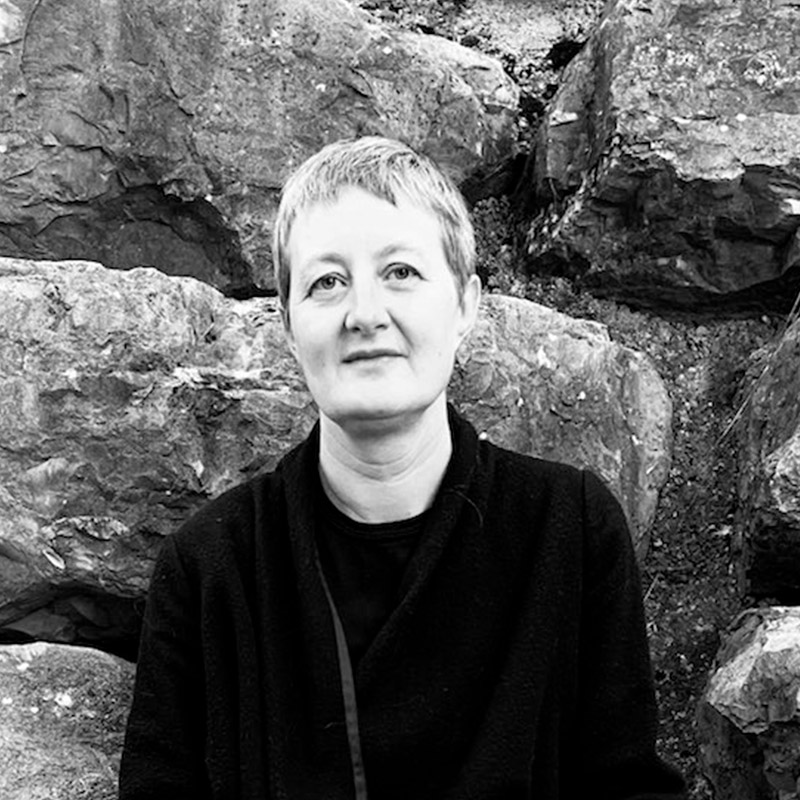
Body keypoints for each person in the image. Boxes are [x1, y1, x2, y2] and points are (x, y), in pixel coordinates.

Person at [119, 136, 686, 799]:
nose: (365, 314)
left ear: (466, 305)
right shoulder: (209, 569)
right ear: (289, 326)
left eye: (401, 272)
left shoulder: (570, 530)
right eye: (327, 282)